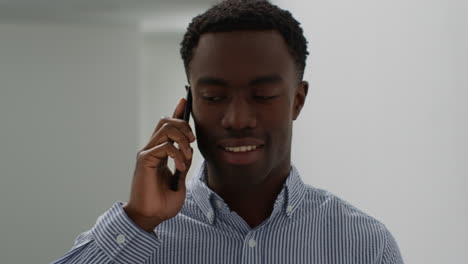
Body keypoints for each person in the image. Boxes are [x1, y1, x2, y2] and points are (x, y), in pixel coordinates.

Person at [52, 0, 403, 263]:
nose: (237, 119)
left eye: (262, 96)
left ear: (297, 101)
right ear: (188, 105)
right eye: (214, 97)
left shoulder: (364, 244)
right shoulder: (135, 238)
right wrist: (139, 219)